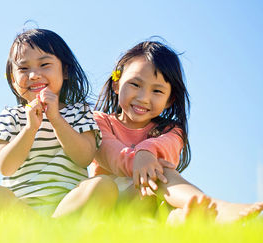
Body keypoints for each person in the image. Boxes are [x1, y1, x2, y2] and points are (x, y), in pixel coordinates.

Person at [89, 41, 263, 223]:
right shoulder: (99, 121)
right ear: (116, 84)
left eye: (157, 90)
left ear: (169, 100)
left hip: (150, 205)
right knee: (157, 170)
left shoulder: (170, 131)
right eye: (135, 84)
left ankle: (197, 216)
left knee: (173, 208)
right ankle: (217, 209)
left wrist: (147, 150)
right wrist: (141, 157)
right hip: (111, 204)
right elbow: (110, 153)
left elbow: (165, 147)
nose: (143, 98)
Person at [0, 29, 117, 222]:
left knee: (104, 185)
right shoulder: (11, 115)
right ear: (13, 80)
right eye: (23, 69)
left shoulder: (78, 111)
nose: (33, 75)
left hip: (69, 206)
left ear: (65, 71)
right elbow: (5, 167)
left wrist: (56, 119)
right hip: (21, 210)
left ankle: (54, 227)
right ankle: (45, 230)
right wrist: (29, 129)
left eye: (44, 64)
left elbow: (84, 158)